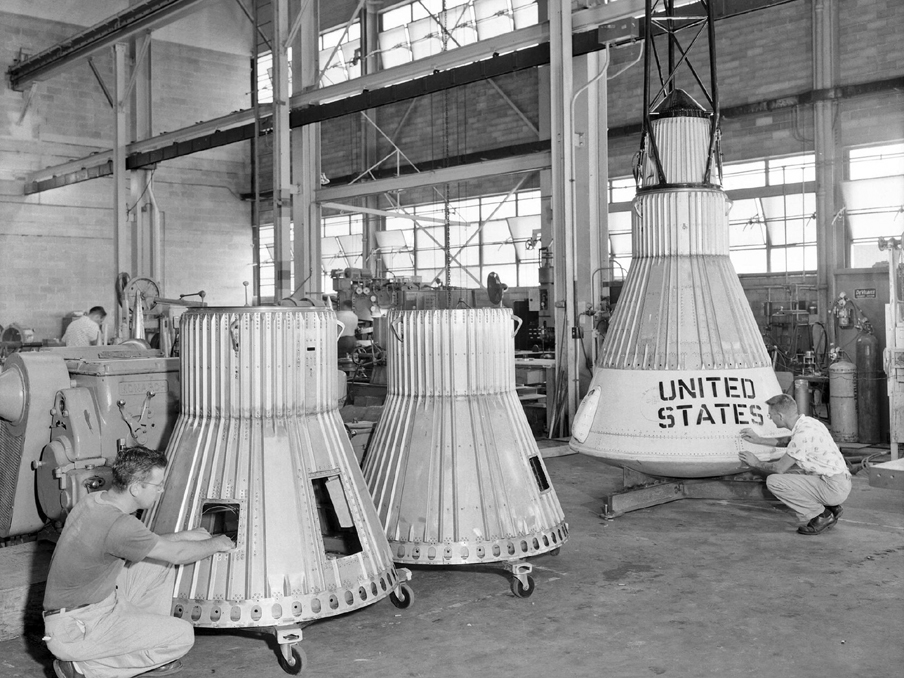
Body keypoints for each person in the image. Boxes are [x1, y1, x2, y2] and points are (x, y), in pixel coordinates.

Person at [42, 446, 234, 678]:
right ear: (135, 488)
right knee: (183, 636)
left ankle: (144, 642)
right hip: (77, 628)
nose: (161, 490)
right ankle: (82, 669)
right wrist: (217, 543)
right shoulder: (119, 524)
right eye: (157, 485)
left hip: (93, 604)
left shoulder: (95, 500)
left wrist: (185, 535)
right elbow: (178, 554)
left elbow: (144, 545)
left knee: (158, 567)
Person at [738, 393, 851, 536]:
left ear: (780, 416)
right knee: (795, 473)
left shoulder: (802, 435)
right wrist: (758, 440)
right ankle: (832, 506)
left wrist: (756, 463)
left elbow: (778, 468)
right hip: (839, 481)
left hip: (832, 487)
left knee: (774, 481)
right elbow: (788, 442)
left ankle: (821, 515)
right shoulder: (809, 423)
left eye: (770, 415)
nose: (770, 419)